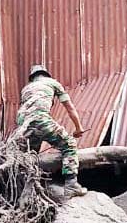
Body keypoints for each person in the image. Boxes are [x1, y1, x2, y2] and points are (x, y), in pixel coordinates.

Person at [17, 65, 88, 198]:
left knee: (30, 156)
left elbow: (25, 111)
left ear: (32, 77)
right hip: (40, 120)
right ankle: (71, 184)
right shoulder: (53, 83)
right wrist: (78, 128)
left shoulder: (26, 89)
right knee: (69, 144)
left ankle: (26, 189)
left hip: (23, 125)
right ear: (46, 74)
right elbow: (70, 108)